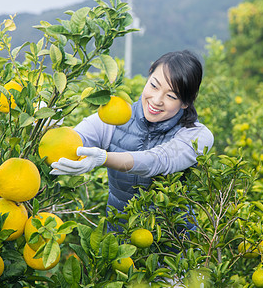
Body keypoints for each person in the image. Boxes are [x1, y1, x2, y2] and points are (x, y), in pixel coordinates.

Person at [50, 50, 214, 231]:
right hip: (119, 240)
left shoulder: (197, 135)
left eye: (171, 96)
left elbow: (158, 161)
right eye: (154, 85)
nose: (157, 100)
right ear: (149, 75)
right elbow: (76, 140)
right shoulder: (116, 117)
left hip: (173, 245)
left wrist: (105, 158)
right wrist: (49, 127)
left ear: (185, 103)